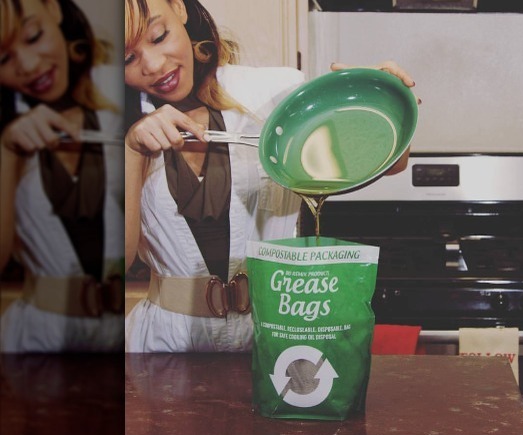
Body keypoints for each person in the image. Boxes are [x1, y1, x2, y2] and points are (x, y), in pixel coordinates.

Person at [123, 0, 416, 352]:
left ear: (179, 9)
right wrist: (131, 148)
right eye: (127, 59)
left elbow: (386, 164)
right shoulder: (110, 129)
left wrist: (377, 107)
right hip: (162, 347)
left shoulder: (272, 94)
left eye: (159, 36)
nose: (153, 66)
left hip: (269, 335)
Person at [0, 0, 124, 352]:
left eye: (33, 36)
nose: (27, 65)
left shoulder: (117, 111)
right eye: (2, 59)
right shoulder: (6, 139)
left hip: (117, 340)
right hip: (36, 342)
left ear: (53, 9)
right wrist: (7, 151)